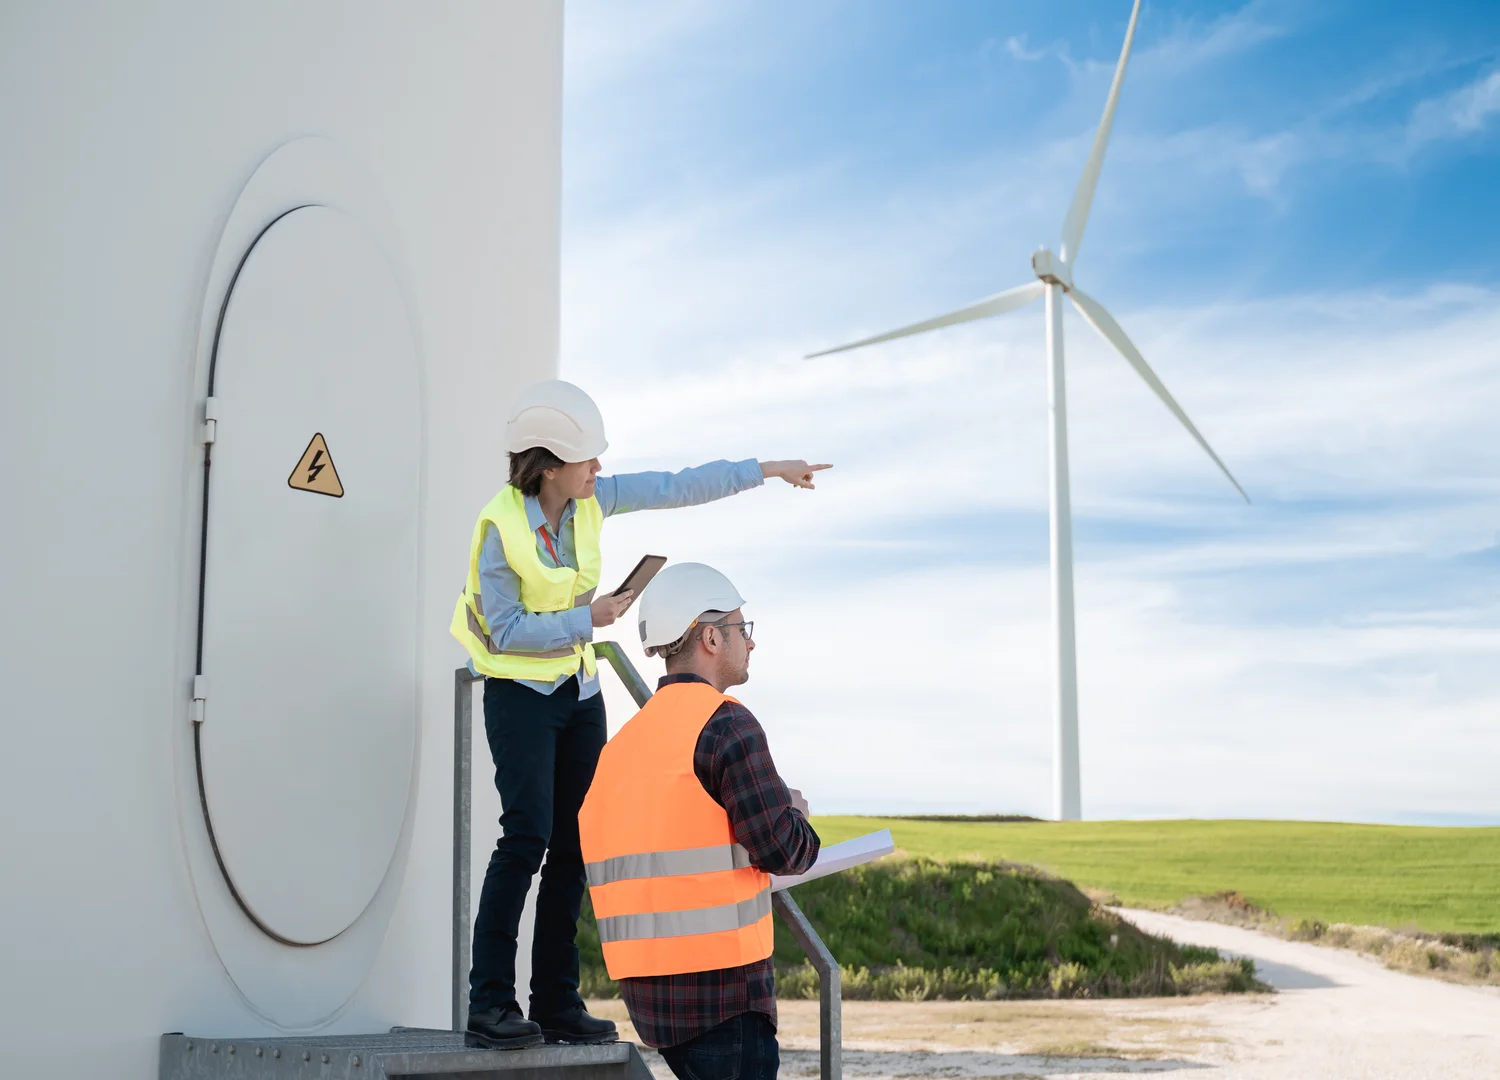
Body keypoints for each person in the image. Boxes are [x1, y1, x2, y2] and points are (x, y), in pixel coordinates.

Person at [451, 380, 830, 1050]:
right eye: (587, 458)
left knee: (574, 845)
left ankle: (556, 1002)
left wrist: (769, 470)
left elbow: (680, 484)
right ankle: (489, 1004)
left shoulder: (596, 500)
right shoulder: (499, 526)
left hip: (577, 689)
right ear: (549, 464)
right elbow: (503, 630)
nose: (599, 468)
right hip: (518, 691)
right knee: (525, 839)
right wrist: (585, 618)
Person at [578, 562, 819, 1080]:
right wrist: (795, 812)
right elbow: (784, 851)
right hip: (725, 1000)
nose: (749, 643)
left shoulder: (621, 748)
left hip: (653, 1007)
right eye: (741, 629)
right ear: (711, 637)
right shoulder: (726, 724)